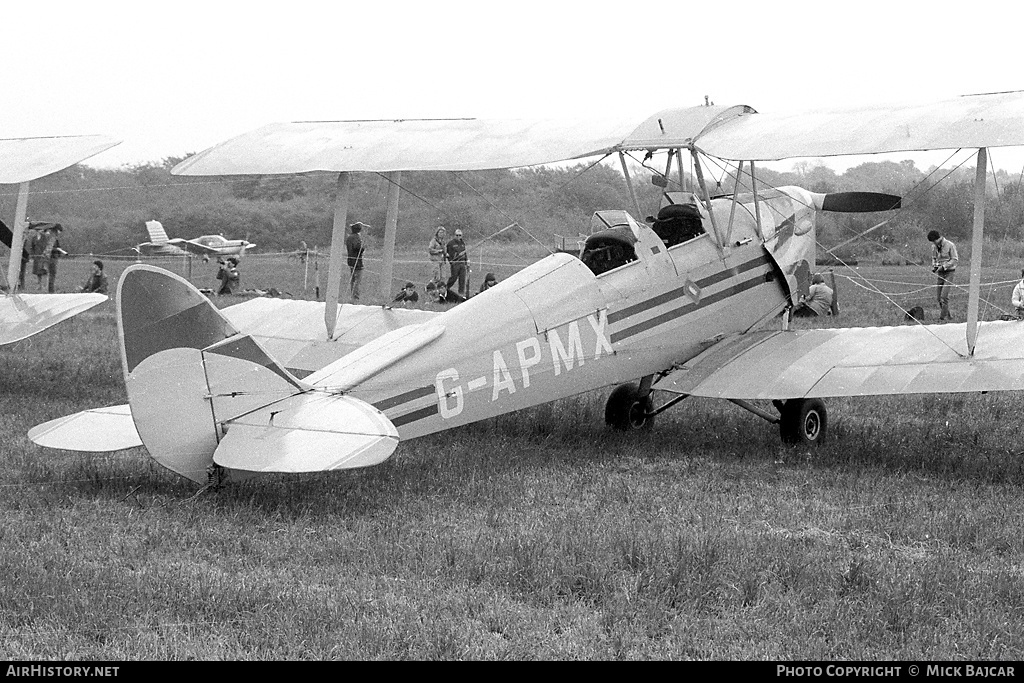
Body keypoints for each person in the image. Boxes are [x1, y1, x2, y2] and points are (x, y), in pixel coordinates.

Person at [928, 229, 958, 321]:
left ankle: (942, 317)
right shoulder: (934, 247)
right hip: (940, 273)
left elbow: (954, 259)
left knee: (944, 296)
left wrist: (944, 266)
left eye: (934, 241)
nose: (934, 243)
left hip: (949, 272)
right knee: (939, 298)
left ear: (938, 238)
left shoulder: (950, 245)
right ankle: (948, 316)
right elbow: (934, 258)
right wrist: (934, 267)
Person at [345, 221, 366, 301]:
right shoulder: (356, 237)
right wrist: (362, 247)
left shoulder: (349, 237)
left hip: (350, 260)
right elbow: (357, 247)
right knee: (357, 280)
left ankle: (353, 296)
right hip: (357, 261)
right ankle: (356, 297)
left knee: (353, 279)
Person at [445, 228, 468, 298]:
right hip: (455, 263)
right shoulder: (450, 243)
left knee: (462, 279)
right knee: (453, 278)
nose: (458, 237)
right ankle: (445, 289)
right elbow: (447, 254)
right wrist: (451, 262)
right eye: (457, 235)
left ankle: (461, 294)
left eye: (460, 235)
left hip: (462, 263)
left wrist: (466, 261)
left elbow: (465, 253)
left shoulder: (462, 243)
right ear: (454, 235)